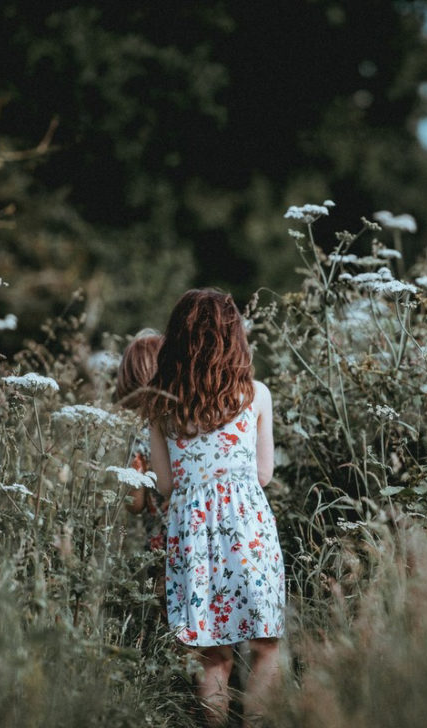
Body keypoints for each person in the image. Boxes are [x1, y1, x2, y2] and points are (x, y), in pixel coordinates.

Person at [142, 289, 285, 727]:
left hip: (191, 532)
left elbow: (165, 484)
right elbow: (263, 474)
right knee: (265, 645)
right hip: (247, 526)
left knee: (212, 657)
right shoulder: (255, 395)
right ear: (235, 337)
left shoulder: (160, 405)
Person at [116, 332, 169, 600]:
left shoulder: (138, 435)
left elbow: (134, 503)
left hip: (161, 544)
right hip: (198, 529)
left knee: (170, 622)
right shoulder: (181, 422)